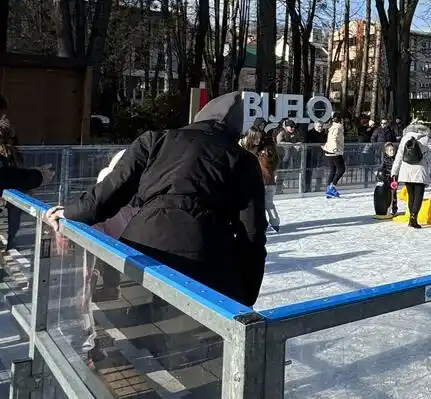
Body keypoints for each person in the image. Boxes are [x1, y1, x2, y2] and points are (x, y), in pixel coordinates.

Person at [46, 91, 267, 306]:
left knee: (135, 330)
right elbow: (252, 233)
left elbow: (106, 195)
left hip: (141, 251)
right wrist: (246, 294)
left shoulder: (155, 140)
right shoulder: (242, 160)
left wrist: (68, 212)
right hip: (205, 260)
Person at [391, 120, 431, 229]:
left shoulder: (405, 138)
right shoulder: (425, 139)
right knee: (418, 196)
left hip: (406, 170)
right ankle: (413, 218)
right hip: (419, 171)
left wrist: (394, 173)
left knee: (411, 196)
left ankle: (411, 217)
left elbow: (398, 156)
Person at [242, 127, 281, 234]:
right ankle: (273, 223)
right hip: (265, 181)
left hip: (263, 181)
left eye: (260, 138)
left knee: (264, 204)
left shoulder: (261, 153)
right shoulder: (267, 152)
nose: (258, 141)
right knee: (266, 204)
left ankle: (270, 223)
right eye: (257, 138)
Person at [322, 114, 346, 199]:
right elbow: (334, 138)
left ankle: (328, 188)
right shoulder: (338, 127)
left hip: (328, 151)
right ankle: (332, 187)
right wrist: (335, 148)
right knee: (341, 169)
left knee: (333, 169)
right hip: (334, 151)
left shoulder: (331, 126)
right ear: (340, 120)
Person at [373, 143, 399, 218]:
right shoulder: (385, 158)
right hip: (386, 178)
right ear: (386, 152)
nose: (392, 152)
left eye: (393, 150)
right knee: (387, 193)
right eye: (390, 150)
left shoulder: (397, 159)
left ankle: (394, 209)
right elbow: (382, 167)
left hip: (393, 178)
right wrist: (379, 172)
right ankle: (385, 208)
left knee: (393, 193)